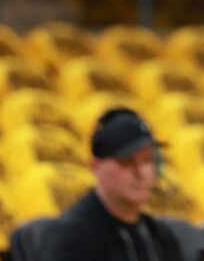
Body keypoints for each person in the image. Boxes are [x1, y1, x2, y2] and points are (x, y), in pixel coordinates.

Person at [38, 107, 182, 261]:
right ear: (95, 166)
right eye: (126, 161)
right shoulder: (70, 236)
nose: (141, 173)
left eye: (147, 160)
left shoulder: (160, 236)